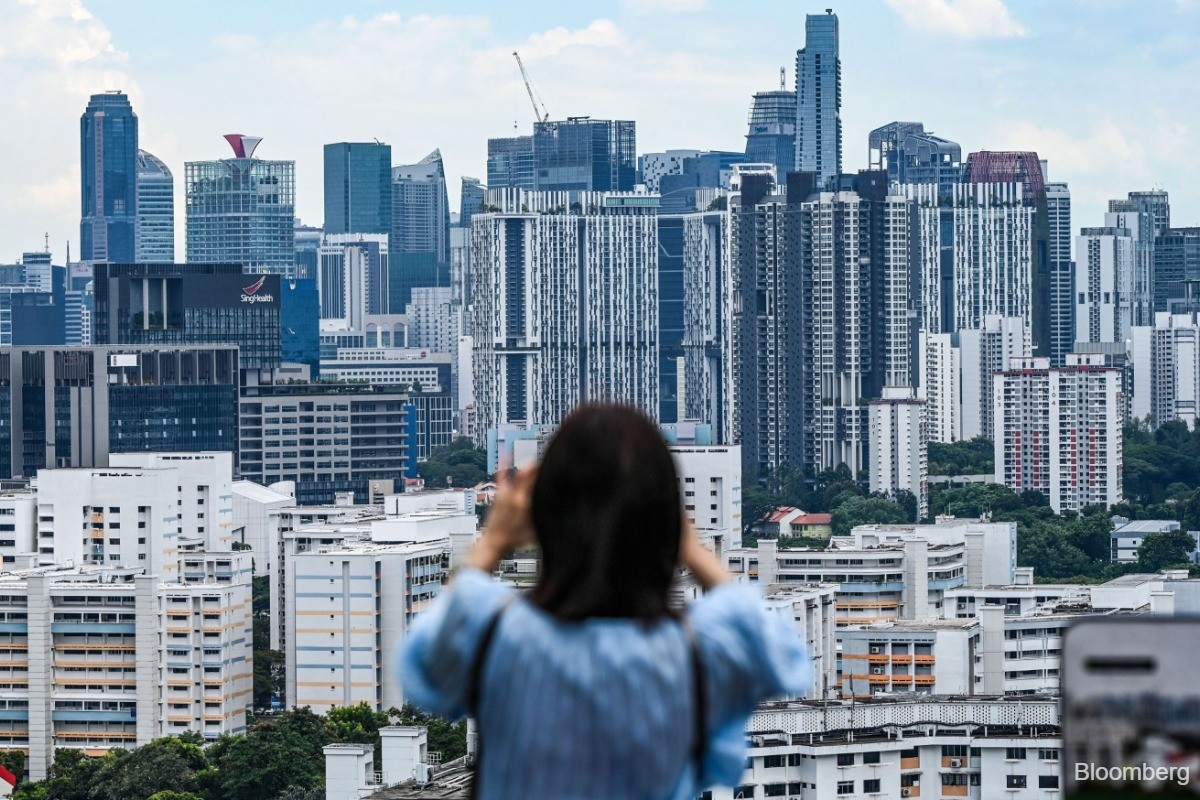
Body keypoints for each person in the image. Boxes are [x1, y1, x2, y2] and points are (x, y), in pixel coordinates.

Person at [401, 404, 808, 799]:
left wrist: (493, 540)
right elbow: (782, 657)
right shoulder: (695, 653)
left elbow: (424, 667)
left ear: (545, 517)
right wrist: (689, 545)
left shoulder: (494, 632)